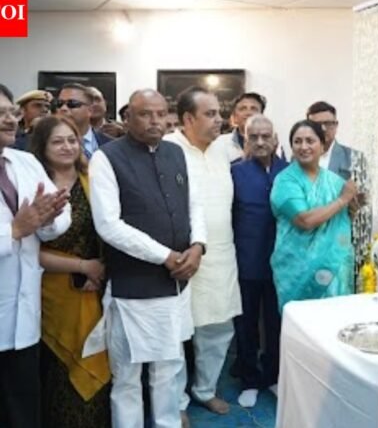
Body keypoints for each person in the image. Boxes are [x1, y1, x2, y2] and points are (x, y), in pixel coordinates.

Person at [86, 88, 206, 428]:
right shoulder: (107, 158)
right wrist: (165, 256)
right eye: (145, 114)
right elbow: (109, 225)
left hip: (177, 286)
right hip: (133, 289)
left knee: (169, 369)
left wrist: (198, 246)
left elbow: (195, 205)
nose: (155, 121)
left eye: (161, 113)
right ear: (127, 118)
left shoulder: (176, 152)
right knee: (127, 376)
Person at [164, 87, 241, 417]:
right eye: (210, 114)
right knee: (176, 333)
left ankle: (204, 390)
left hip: (222, 254)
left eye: (219, 113)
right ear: (187, 119)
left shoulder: (224, 149)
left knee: (219, 328)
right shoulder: (167, 149)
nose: (219, 120)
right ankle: (176, 403)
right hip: (182, 256)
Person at [30, 116, 111, 428]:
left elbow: (111, 231)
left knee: (97, 358)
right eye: (57, 141)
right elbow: (26, 250)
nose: (67, 147)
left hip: (96, 287)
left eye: (72, 140)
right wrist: (82, 267)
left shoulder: (95, 179)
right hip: (51, 292)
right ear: (42, 147)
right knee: (60, 368)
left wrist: (98, 271)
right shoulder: (34, 186)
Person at [0, 83, 71, 428]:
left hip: (24, 318)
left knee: (24, 410)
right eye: (0, 114)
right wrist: (13, 231)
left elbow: (54, 219)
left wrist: (49, 218)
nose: (10, 120)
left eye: (11, 112)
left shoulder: (25, 161)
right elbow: (19, 229)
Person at [231, 115, 287, 408]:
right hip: (246, 261)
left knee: (277, 323)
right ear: (245, 139)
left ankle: (274, 376)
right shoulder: (234, 172)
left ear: (275, 139)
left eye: (266, 136)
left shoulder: (289, 172)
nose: (261, 142)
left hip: (283, 263)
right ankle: (250, 380)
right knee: (247, 324)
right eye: (254, 136)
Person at [270, 120, 356, 309]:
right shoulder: (285, 181)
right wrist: (343, 200)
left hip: (334, 267)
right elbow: (305, 220)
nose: (303, 147)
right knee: (302, 323)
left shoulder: (335, 181)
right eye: (297, 141)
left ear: (322, 146)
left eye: (310, 141)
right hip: (298, 272)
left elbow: (344, 219)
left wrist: (354, 204)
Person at [306, 101, 372, 275]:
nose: (323, 129)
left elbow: (364, 207)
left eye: (328, 124)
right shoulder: (299, 157)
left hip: (341, 240)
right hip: (308, 242)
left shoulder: (354, 158)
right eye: (316, 125)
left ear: (336, 125)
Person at [55, 83, 113, 159]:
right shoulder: (44, 144)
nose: (63, 108)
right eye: (59, 104)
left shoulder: (110, 144)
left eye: (72, 104)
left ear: (90, 110)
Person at [213, 92, 274, 163]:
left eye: (254, 109)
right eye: (242, 109)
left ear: (262, 116)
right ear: (234, 117)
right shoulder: (219, 143)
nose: (248, 113)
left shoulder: (272, 144)